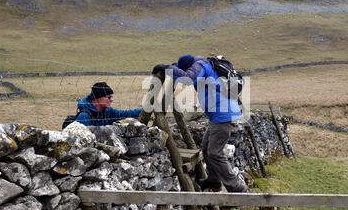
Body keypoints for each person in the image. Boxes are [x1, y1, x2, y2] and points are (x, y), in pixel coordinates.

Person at [152, 54, 248, 193]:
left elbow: (189, 78)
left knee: (215, 153)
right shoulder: (204, 65)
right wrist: (173, 67)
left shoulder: (201, 66)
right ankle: (214, 181)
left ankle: (237, 188)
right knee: (206, 147)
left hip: (222, 115)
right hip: (220, 115)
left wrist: (167, 68)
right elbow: (186, 73)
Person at [75, 82, 142, 126]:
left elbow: (127, 114)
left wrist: (145, 109)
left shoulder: (108, 112)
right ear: (98, 98)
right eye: (108, 97)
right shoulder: (84, 116)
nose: (111, 100)